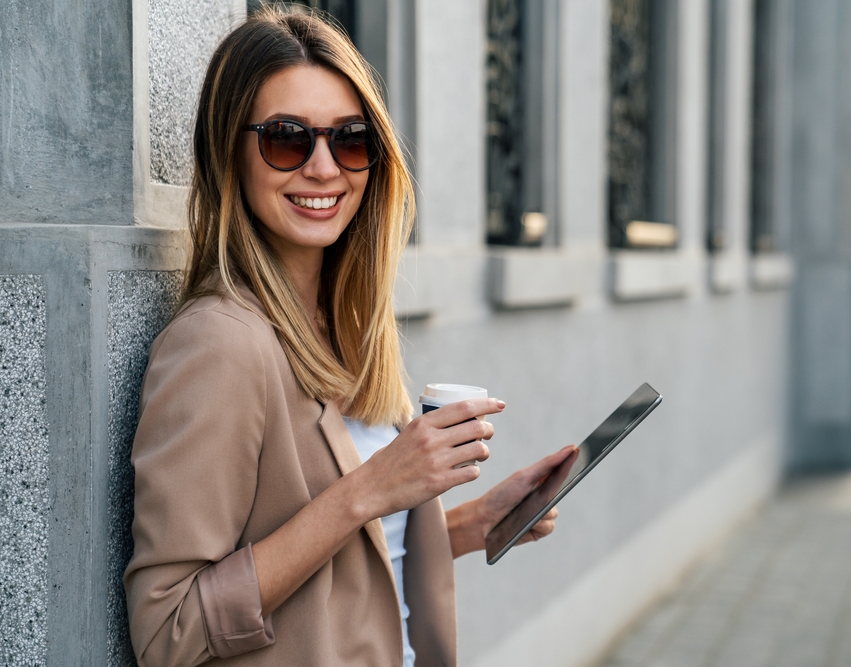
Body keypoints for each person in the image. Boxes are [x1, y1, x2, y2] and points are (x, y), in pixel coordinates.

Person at [123, 7, 574, 667]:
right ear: (229, 151)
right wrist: (371, 487)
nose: (324, 167)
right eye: (286, 138)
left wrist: (472, 524)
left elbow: (334, 562)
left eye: (350, 139)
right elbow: (169, 630)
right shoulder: (218, 345)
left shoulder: (349, 327)